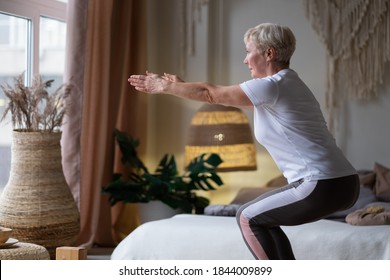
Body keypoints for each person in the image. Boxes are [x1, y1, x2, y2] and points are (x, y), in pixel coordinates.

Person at [128, 22, 360, 260]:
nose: (245, 60)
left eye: (249, 51)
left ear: (269, 53)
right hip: (343, 183)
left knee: (247, 217)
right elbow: (219, 99)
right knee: (261, 220)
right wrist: (181, 86)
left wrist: (165, 86)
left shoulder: (273, 85)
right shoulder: (287, 85)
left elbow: (210, 92)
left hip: (320, 184)